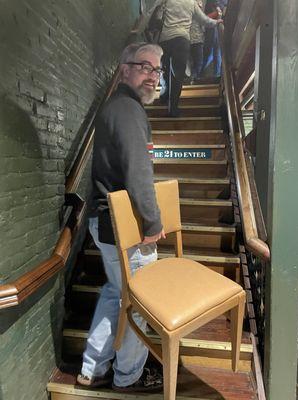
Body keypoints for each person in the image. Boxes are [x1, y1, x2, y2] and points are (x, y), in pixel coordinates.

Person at [76, 43, 166, 392]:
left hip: (105, 221)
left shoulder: (117, 107)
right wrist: (153, 223)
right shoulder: (128, 110)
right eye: (144, 66)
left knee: (116, 292)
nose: (152, 75)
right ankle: (127, 376)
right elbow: (138, 173)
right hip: (125, 226)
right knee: (140, 303)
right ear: (124, 69)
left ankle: (92, 368)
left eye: (157, 70)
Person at [144, 0, 221, 117]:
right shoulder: (191, 3)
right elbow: (204, 20)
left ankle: (164, 95)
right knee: (177, 76)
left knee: (165, 70)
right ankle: (173, 108)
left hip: (164, 40)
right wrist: (217, 22)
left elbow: (151, 13)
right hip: (181, 41)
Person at [190, 0, 207, 84]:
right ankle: (194, 79)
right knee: (198, 61)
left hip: (187, 37)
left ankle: (192, 78)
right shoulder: (197, 2)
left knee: (192, 61)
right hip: (196, 37)